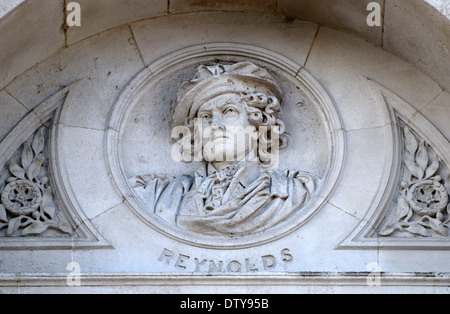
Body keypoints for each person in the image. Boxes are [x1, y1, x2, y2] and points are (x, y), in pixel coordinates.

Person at [130, 62, 319, 237]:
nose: (215, 125)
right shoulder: (160, 195)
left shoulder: (298, 192)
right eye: (205, 117)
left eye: (229, 111)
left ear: (257, 121)